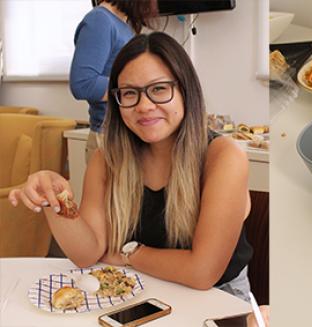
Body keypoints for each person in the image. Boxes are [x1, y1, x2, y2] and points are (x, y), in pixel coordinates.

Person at [10, 32, 255, 301]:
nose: (144, 106)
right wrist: (54, 198)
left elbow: (202, 273)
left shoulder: (224, 157)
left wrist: (128, 253)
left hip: (218, 298)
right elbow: (87, 254)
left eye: (159, 89)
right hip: (140, 290)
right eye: (130, 93)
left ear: (185, 90)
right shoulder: (107, 160)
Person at [69, 0, 157, 163]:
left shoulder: (122, 25)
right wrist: (135, 89)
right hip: (110, 138)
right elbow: (83, 84)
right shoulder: (100, 21)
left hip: (125, 135)